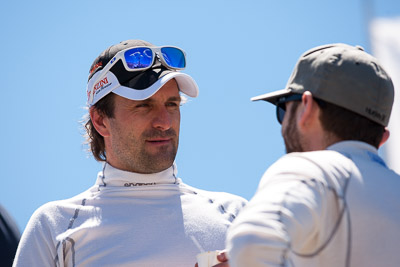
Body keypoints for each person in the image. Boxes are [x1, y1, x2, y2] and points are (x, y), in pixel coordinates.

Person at [13, 39, 247, 266]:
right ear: (100, 120)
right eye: (143, 105)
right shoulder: (54, 225)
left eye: (172, 105)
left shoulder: (236, 215)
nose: (164, 122)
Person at [225, 43, 400, 267]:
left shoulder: (310, 170)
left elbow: (251, 241)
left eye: (283, 109)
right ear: (382, 137)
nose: (282, 123)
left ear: (306, 106)